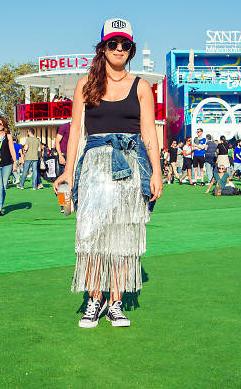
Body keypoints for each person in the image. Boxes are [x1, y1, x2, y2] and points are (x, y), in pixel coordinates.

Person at [52, 18, 162, 328]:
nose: (118, 49)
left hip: (130, 164)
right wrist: (67, 172)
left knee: (122, 234)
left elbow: (149, 133)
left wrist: (157, 172)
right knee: (90, 232)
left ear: (131, 49)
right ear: (103, 48)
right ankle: (93, 298)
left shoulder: (141, 86)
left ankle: (115, 302)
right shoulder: (86, 83)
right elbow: (75, 131)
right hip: (94, 166)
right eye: (112, 43)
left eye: (124, 44)